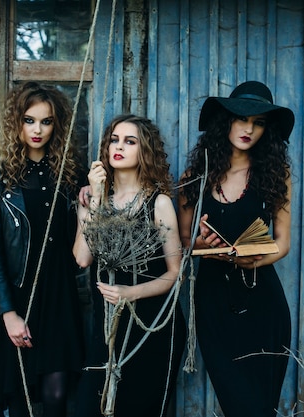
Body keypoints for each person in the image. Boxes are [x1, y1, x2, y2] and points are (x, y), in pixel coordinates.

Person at [178, 81, 294, 417]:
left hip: (263, 302)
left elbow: (283, 242)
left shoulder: (276, 174)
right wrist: (199, 246)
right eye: (243, 119)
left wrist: (252, 261)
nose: (249, 129)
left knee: (261, 407)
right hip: (214, 303)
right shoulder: (194, 176)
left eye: (259, 123)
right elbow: (184, 242)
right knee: (238, 405)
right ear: (225, 120)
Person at [0, 82, 85, 417]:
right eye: (30, 120)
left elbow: (83, 243)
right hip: (17, 296)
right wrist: (8, 314)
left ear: (58, 125)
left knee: (56, 396)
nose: (37, 129)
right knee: (20, 400)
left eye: (46, 121)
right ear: (18, 123)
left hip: (59, 294)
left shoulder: (71, 174)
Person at [73, 114, 186, 417]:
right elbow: (82, 257)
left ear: (144, 150)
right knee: (90, 406)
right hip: (107, 322)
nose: (118, 147)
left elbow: (175, 273)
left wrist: (131, 292)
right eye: (114, 139)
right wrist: (95, 196)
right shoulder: (92, 200)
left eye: (130, 141)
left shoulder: (157, 203)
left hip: (150, 324)